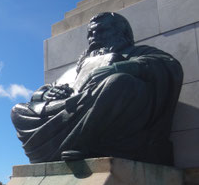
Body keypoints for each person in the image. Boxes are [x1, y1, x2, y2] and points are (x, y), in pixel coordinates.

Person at [11, 12, 183, 165]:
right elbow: (53, 87)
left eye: (101, 31)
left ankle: (82, 143)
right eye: (90, 33)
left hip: (108, 109)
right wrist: (47, 93)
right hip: (73, 106)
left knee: (117, 82)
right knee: (17, 110)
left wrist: (120, 67)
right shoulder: (81, 63)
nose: (94, 37)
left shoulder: (138, 52)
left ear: (121, 33)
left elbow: (170, 65)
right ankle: (59, 147)